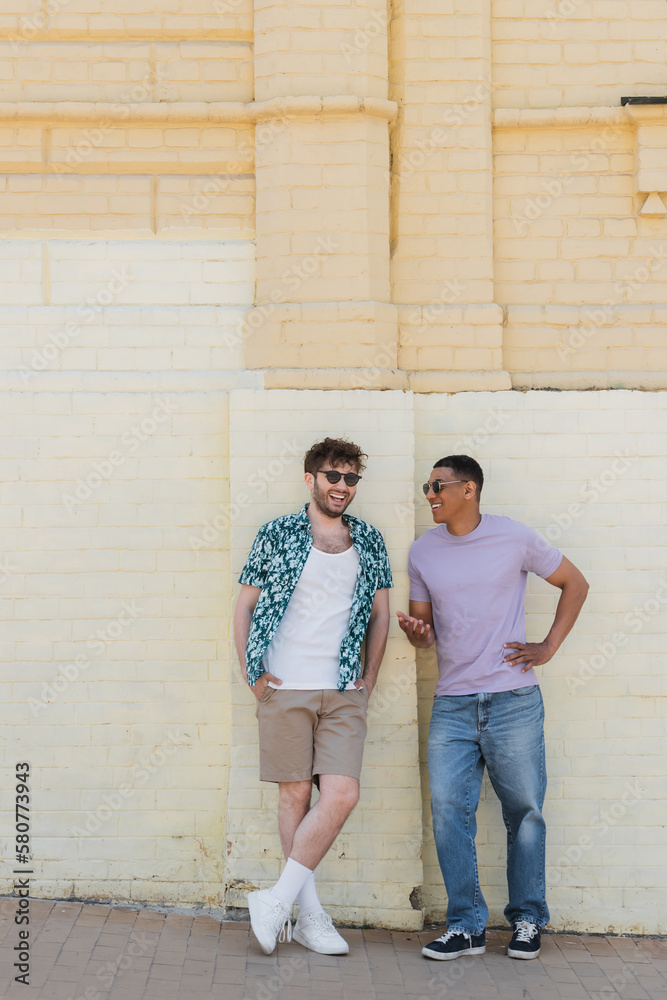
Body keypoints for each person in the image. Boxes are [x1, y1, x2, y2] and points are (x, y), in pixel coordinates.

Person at [397, 455, 589, 962]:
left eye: (438, 486)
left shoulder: (514, 537)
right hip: (453, 705)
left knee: (524, 812)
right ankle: (466, 926)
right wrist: (418, 634)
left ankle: (527, 919)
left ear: (470, 490)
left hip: (513, 702)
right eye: (427, 487)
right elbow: (426, 631)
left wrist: (547, 647)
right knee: (447, 811)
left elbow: (576, 583)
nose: (430, 494)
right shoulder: (422, 552)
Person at [233, 437, 392, 957]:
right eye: (334, 477)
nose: (343, 487)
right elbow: (245, 607)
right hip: (284, 685)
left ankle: (276, 900)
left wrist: (368, 678)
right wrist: (250, 673)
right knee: (295, 796)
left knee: (342, 794)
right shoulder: (278, 533)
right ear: (311, 479)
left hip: (344, 687)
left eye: (351, 479)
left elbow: (380, 614)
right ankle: (310, 915)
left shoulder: (369, 539)